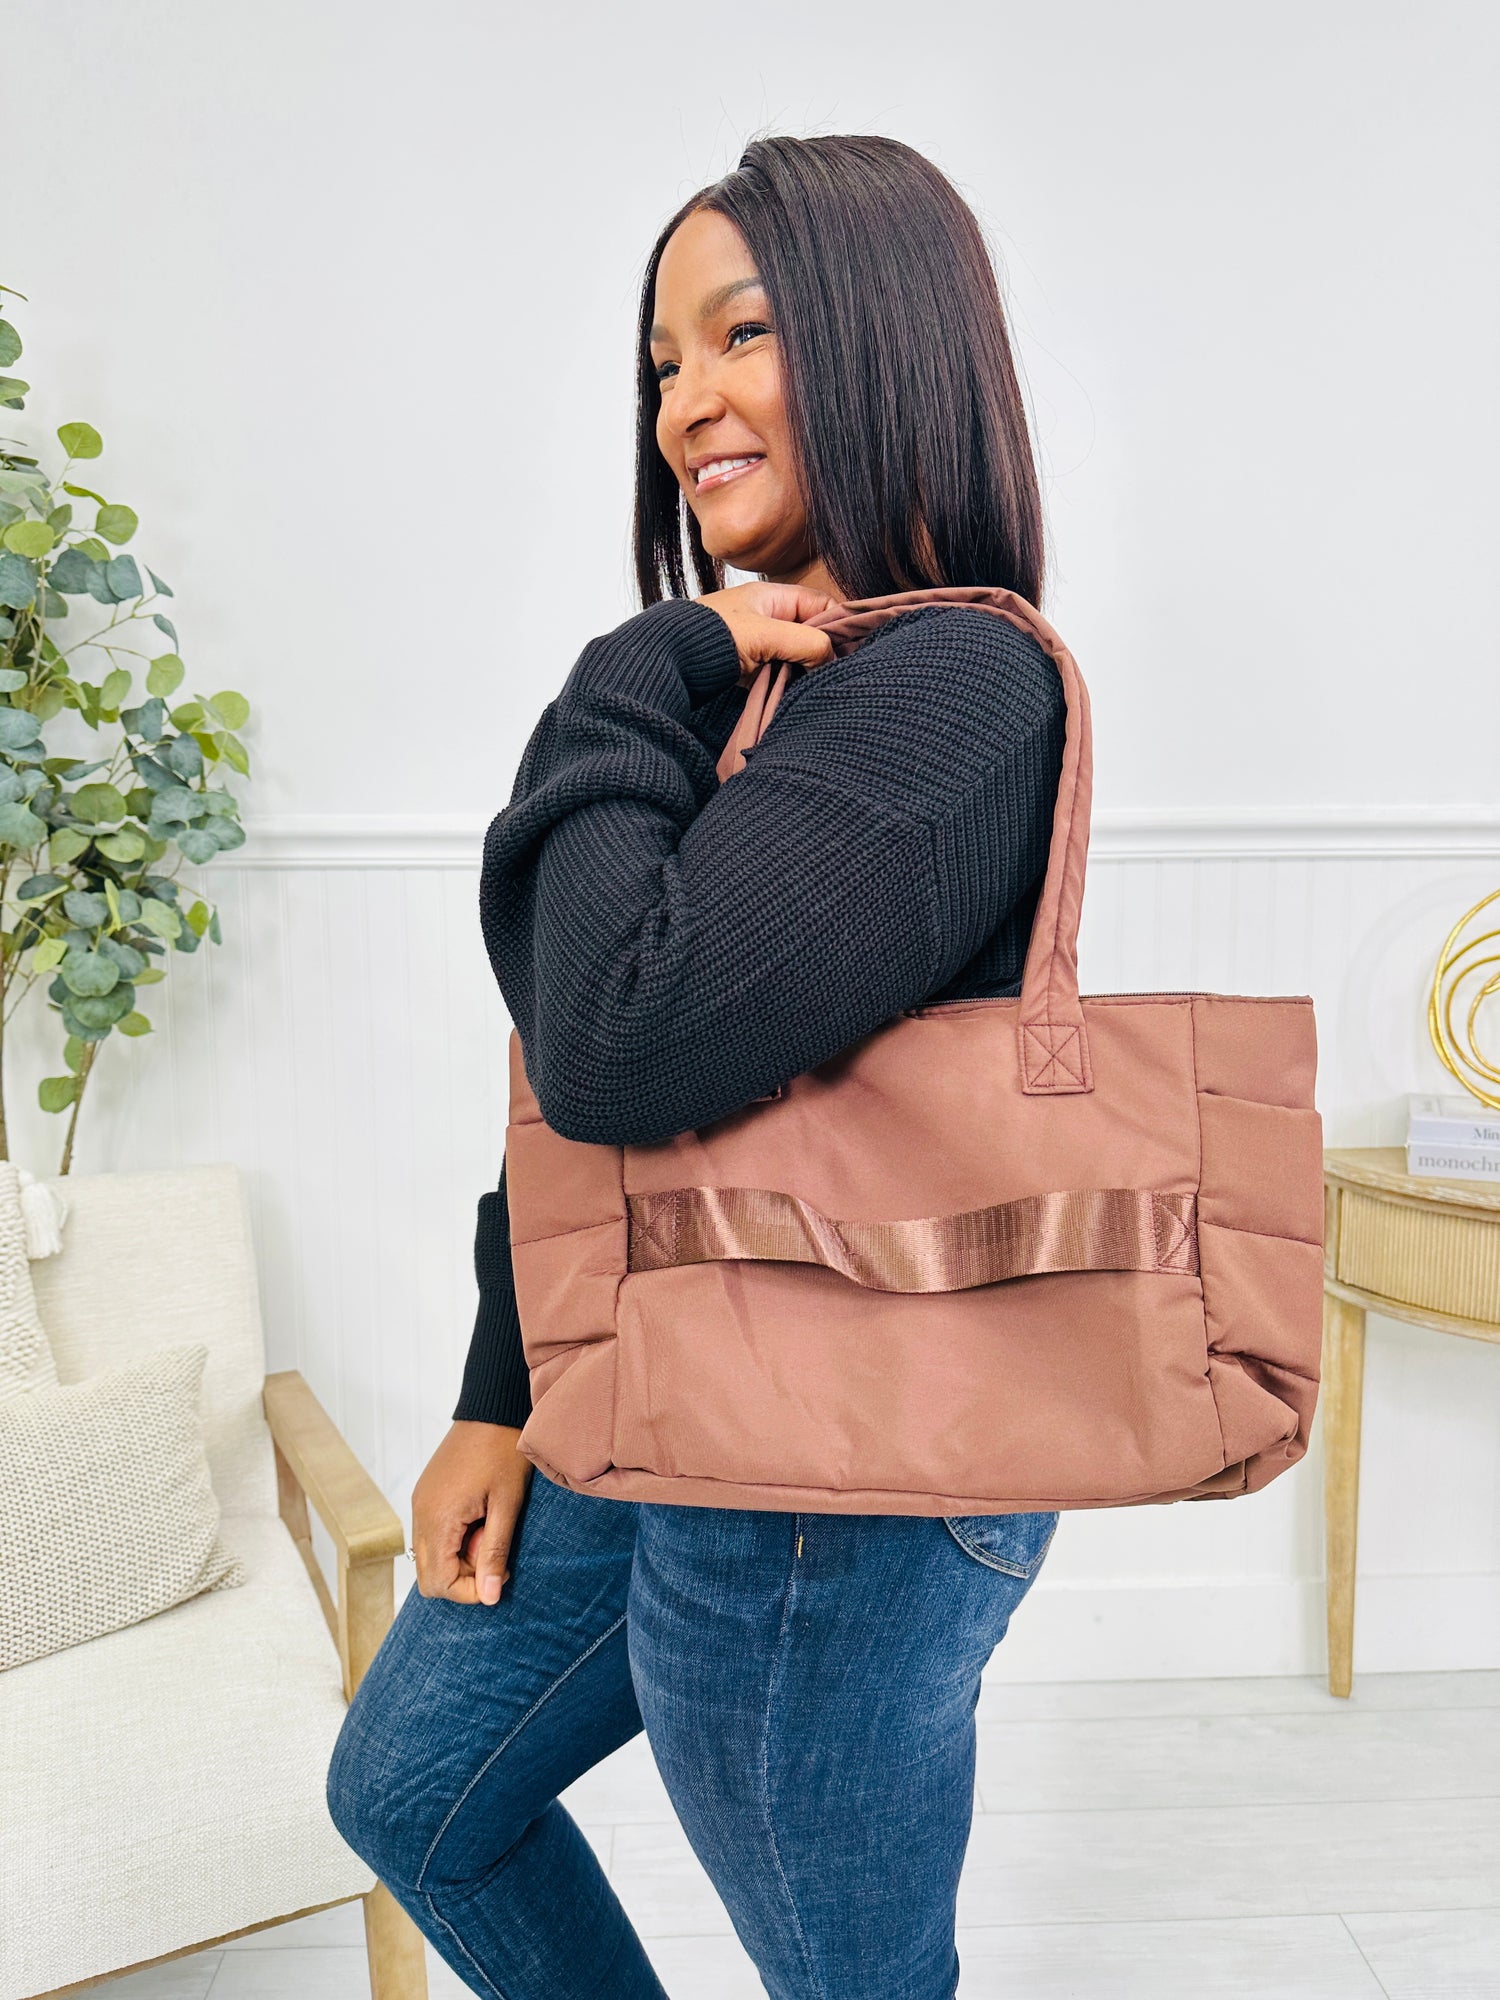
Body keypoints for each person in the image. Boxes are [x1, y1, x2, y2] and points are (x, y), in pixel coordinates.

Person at [327, 131, 1067, 2000]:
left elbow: (618, 1036)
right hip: (664, 1379)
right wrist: (501, 1392)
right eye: (664, 361)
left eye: (743, 336)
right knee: (412, 1792)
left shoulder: (959, 684)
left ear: (887, 341)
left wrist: (627, 668)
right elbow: (583, 1076)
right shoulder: (754, 680)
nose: (686, 405)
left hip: (843, 1481)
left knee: (845, 1977)